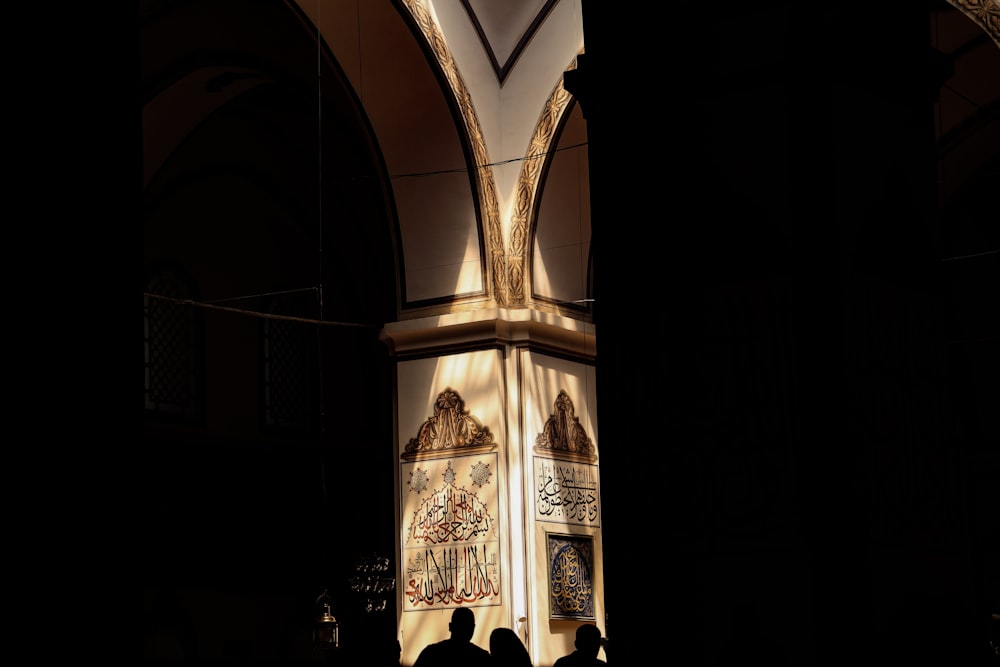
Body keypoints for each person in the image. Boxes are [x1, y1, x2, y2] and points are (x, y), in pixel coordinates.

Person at [413, 607, 492, 667]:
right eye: (461, 626)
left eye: (466, 626)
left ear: (450, 626)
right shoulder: (481, 657)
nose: (463, 629)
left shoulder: (430, 653)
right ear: (473, 628)